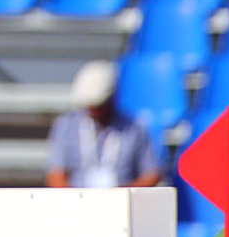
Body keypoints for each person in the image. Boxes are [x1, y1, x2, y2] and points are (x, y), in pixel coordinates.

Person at [45, 61, 164, 189]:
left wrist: (123, 196)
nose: (94, 112)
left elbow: (151, 174)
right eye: (90, 107)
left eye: (99, 107)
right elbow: (55, 173)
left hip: (122, 202)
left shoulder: (134, 128)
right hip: (79, 200)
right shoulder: (66, 126)